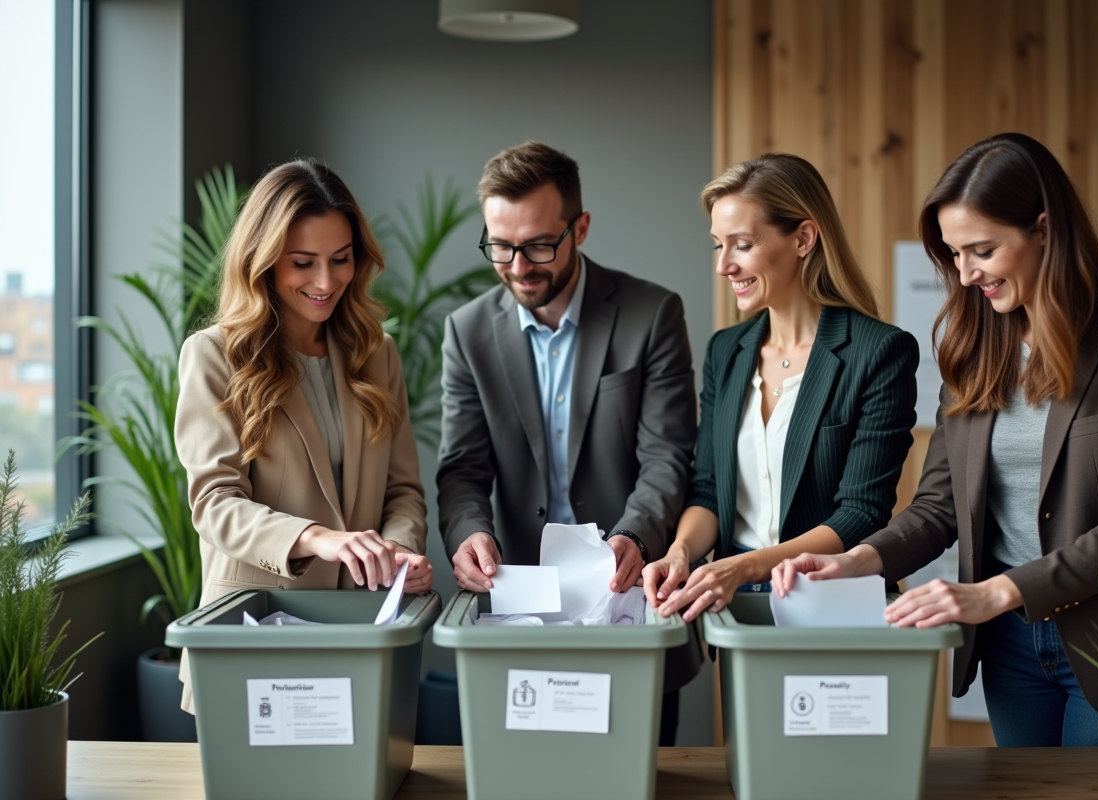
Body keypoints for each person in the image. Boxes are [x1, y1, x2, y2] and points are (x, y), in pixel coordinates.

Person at [773, 132, 1098, 747]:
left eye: (983, 250)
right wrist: (856, 563)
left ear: (1045, 231)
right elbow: (938, 506)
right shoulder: (974, 347)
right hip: (1007, 643)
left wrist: (991, 592)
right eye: (954, 255)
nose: (967, 275)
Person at [436, 140, 701, 744]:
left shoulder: (651, 313)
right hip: (519, 611)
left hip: (628, 599)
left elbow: (668, 453)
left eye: (538, 245)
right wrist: (468, 532)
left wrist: (635, 534)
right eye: (499, 247)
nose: (519, 266)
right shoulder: (469, 331)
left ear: (580, 227)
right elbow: (463, 470)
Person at [175, 160, 432, 713]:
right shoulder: (215, 357)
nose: (325, 281)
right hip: (255, 631)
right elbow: (214, 504)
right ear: (262, 262)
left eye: (341, 260)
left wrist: (398, 552)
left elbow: (403, 491)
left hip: (362, 631)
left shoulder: (376, 352)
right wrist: (319, 538)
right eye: (302, 263)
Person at [642, 153, 919, 622]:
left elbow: (861, 513)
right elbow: (709, 489)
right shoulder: (725, 352)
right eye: (717, 246)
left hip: (832, 601)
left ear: (803, 238)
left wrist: (746, 566)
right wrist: (680, 552)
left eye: (742, 245)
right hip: (735, 603)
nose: (723, 266)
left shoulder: (879, 352)